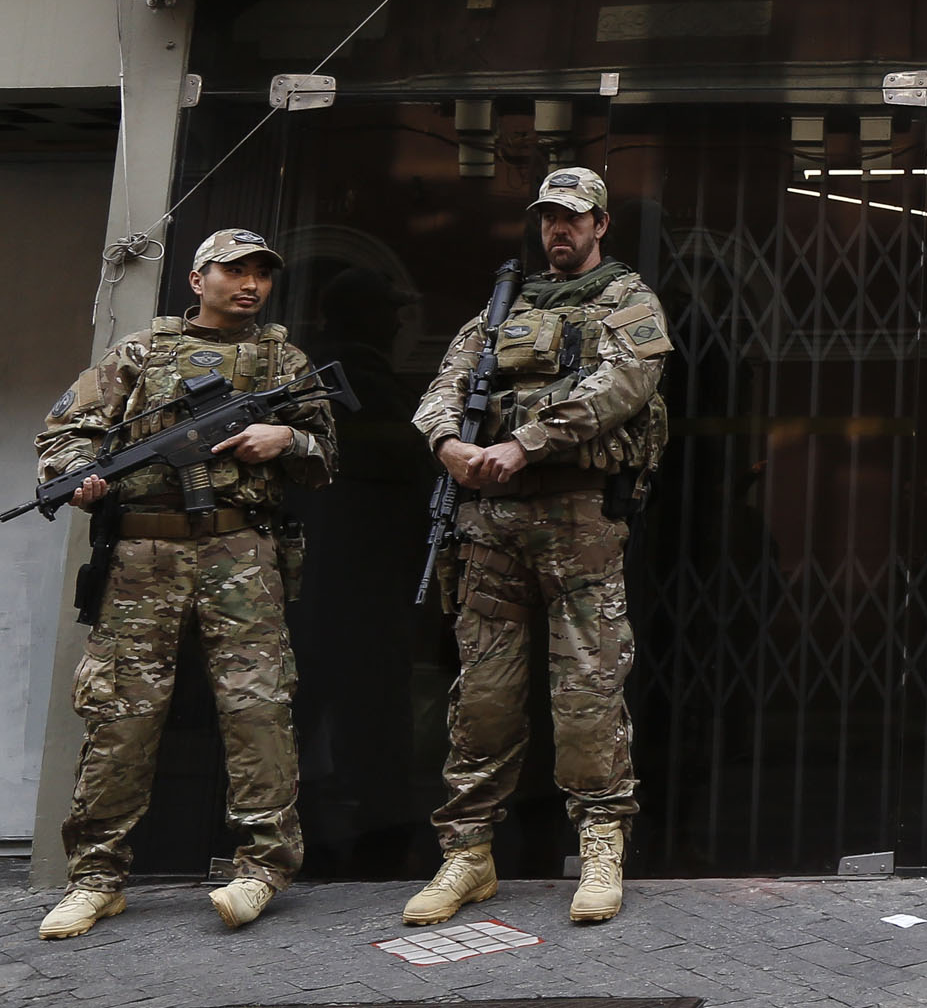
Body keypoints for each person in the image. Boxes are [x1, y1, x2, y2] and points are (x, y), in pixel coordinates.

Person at [34, 228, 336, 938]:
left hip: (240, 550)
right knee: (120, 714)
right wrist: (76, 480)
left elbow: (325, 458)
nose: (250, 284)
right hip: (143, 556)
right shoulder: (139, 353)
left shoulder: (283, 359)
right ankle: (97, 877)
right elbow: (63, 435)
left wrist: (286, 439)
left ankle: (262, 868)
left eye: (261, 272)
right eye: (234, 270)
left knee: (257, 710)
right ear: (198, 278)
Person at [400, 167, 670, 929]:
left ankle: (601, 844)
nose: (560, 230)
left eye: (574, 218)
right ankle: (468, 853)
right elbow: (444, 383)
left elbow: (625, 386)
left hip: (578, 521)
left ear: (600, 225)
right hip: (491, 526)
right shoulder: (503, 305)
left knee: (587, 692)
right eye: (550, 217)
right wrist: (447, 442)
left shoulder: (628, 301)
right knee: (483, 697)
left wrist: (524, 441)